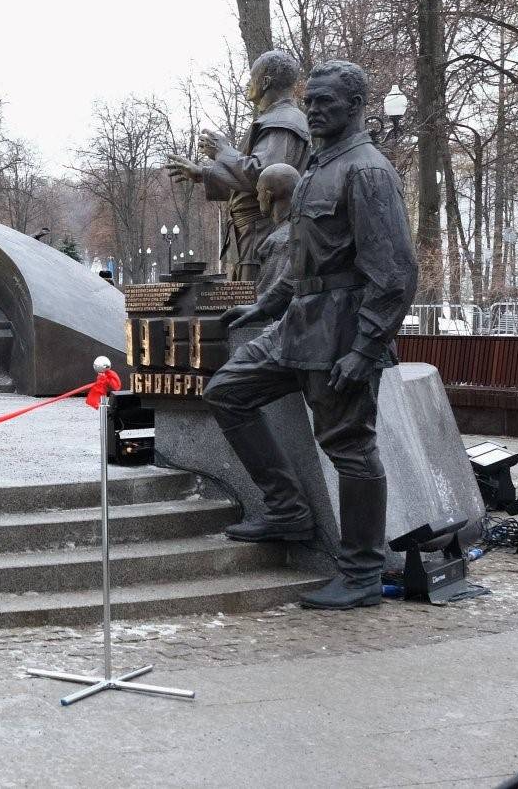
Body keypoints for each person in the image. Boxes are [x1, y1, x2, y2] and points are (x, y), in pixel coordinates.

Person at [203, 60, 417, 610]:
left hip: (343, 334)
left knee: (349, 446)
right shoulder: (318, 166)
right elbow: (301, 266)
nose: (315, 109)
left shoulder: (367, 170)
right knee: (228, 391)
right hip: (296, 325)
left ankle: (364, 572)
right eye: (311, 99)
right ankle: (288, 510)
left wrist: (367, 348)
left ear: (355, 107)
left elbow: (394, 275)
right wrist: (257, 309)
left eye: (327, 102)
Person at [165, 50, 311, 280]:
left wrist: (223, 151)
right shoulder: (272, 119)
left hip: (262, 234)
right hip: (250, 237)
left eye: (252, 76)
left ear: (265, 81)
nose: (247, 82)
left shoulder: (284, 121)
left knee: (255, 308)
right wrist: (202, 174)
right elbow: (247, 182)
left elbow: (268, 177)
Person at [251, 162, 300, 298]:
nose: (257, 198)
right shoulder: (300, 227)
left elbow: (266, 297)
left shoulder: (279, 241)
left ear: (268, 196)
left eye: (259, 191)